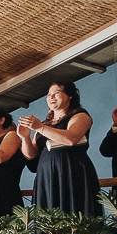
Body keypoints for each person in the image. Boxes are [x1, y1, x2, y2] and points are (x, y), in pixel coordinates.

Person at [19, 82, 100, 216]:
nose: (51, 97)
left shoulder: (80, 115)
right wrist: (25, 137)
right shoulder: (44, 124)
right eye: (49, 95)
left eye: (56, 93)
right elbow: (31, 155)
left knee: (73, 211)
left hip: (70, 170)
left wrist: (39, 128)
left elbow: (71, 138)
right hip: (47, 174)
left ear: (69, 96)